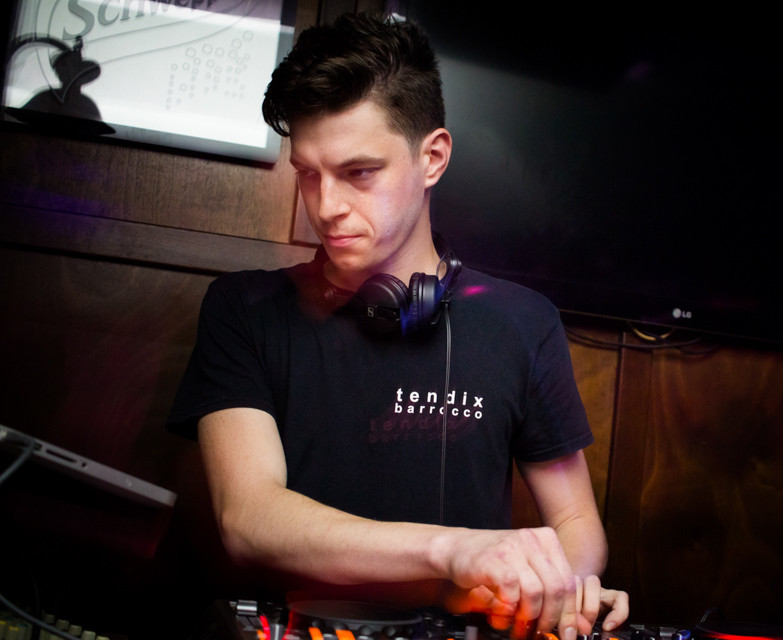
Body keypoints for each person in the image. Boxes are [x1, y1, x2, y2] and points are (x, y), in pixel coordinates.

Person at [168, 11, 629, 639]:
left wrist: (557, 589)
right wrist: (453, 553)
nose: (326, 207)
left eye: (359, 172)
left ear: (432, 157)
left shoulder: (522, 322)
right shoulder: (244, 309)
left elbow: (576, 526)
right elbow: (249, 520)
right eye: (308, 173)